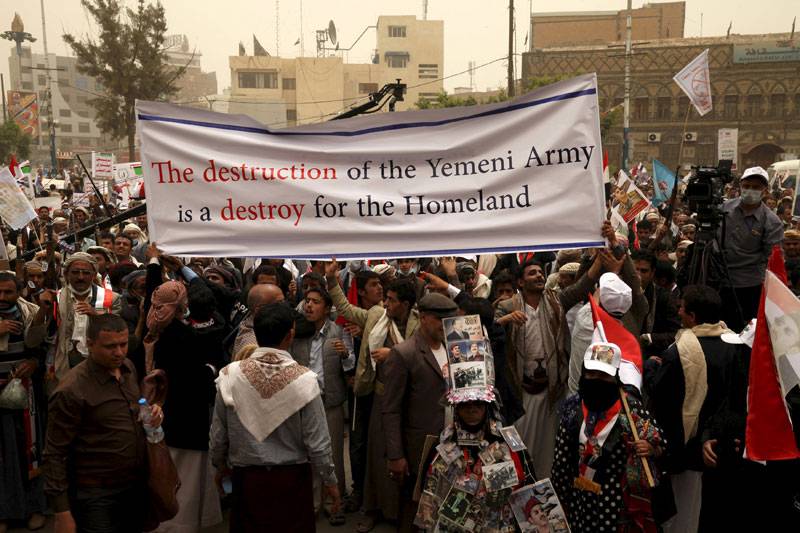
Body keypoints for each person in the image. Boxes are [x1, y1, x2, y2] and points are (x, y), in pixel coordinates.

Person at [210, 303, 340, 532]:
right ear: (291, 335)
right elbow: (318, 441)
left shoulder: (230, 375)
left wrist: (219, 466)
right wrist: (330, 480)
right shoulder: (305, 380)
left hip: (247, 480)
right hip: (291, 481)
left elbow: (219, 434)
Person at [43, 314, 163, 533]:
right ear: (89, 344)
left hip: (134, 488)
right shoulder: (71, 391)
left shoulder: (127, 368)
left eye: (123, 344)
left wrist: (151, 414)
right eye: (110, 347)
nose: (119, 352)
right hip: (96, 496)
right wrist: (62, 512)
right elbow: (54, 454)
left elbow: (131, 411)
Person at [495, 248, 603, 479]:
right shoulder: (508, 306)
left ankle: (546, 492)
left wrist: (598, 259)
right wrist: (506, 320)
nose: (539, 276)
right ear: (520, 283)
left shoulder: (556, 300)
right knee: (522, 446)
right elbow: (486, 332)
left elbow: (583, 286)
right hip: (522, 392)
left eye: (540, 272)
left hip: (552, 389)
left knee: (549, 448)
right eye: (532, 273)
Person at [646, 285, 740, 533]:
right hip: (723, 444)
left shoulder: (679, 352)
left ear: (692, 316)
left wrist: (651, 368)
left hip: (686, 448)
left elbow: (660, 393)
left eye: (682, 308)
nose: (678, 311)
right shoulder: (735, 344)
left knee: (683, 516)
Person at [552, 341, 663, 532]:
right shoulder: (573, 409)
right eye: (592, 374)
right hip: (579, 502)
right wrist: (558, 503)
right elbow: (561, 462)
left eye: (604, 375)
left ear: (615, 377)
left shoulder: (631, 410)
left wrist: (651, 448)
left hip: (615, 504)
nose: (596, 380)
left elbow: (660, 442)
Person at [382, 293, 458, 532]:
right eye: (439, 319)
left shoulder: (454, 349)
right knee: (413, 512)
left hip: (451, 445)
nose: (445, 324)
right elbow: (390, 409)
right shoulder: (404, 353)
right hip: (418, 449)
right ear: (423, 318)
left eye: (449, 319)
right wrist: (395, 455)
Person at [291, 286, 352, 526]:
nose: (309, 305)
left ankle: (334, 504)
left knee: (334, 453)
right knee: (306, 454)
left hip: (330, 401)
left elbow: (350, 366)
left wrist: (346, 354)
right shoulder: (298, 333)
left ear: (327, 308)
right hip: (304, 401)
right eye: (307, 301)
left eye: (315, 302)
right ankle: (311, 504)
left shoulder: (338, 331)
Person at [0, 272, 50, 532]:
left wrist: (34, 362)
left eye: (9, 292)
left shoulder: (31, 312)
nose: (3, 298)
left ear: (19, 292)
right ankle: (4, 512)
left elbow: (42, 347)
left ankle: (35, 507)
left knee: (30, 451)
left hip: (25, 396)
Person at [721, 166, 783, 330]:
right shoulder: (724, 210)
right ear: (740, 186)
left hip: (750, 285)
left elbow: (772, 258)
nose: (750, 190)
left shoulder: (772, 221)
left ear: (765, 190)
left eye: (756, 187)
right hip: (720, 281)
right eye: (747, 186)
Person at [52, 252, 121, 388]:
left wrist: (97, 316)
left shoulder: (111, 299)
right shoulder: (56, 298)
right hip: (65, 365)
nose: (80, 277)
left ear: (94, 275)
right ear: (66, 275)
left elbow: (118, 332)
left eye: (86, 273)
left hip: (100, 364)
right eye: (75, 272)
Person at [633, 249, 681, 359]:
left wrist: (651, 338)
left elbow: (676, 334)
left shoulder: (664, 297)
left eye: (643, 271)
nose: (638, 275)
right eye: (635, 270)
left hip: (651, 356)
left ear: (652, 273)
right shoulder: (620, 292)